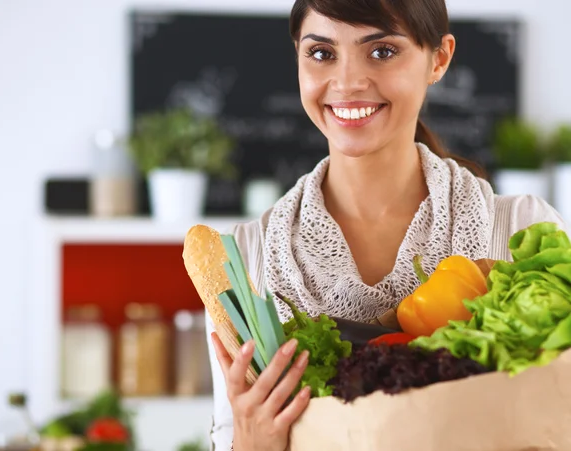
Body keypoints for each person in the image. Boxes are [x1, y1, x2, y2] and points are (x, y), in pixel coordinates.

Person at [205, 0, 569, 450]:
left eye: (382, 51)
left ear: (439, 58)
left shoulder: (521, 229)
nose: (348, 82)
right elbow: (227, 437)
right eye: (322, 53)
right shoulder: (245, 261)